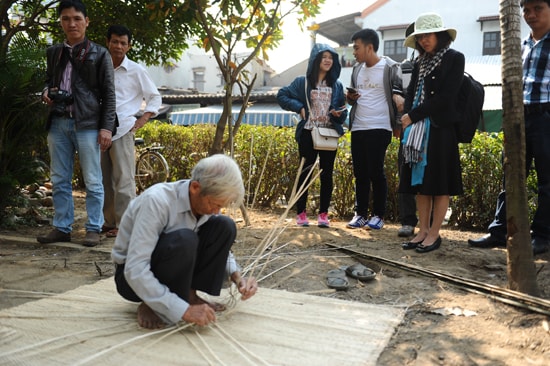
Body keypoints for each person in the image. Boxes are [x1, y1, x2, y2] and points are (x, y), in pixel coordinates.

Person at [111, 154, 258, 329]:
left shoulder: (202, 204)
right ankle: (152, 303)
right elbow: (135, 268)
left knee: (224, 226)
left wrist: (238, 277)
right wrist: (182, 311)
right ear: (195, 187)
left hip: (168, 265)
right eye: (215, 204)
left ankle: (189, 295)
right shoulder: (157, 202)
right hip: (130, 279)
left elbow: (218, 248)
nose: (217, 211)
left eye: (221, 206)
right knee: (185, 239)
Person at [468, 0, 550, 255]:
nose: (530, 15)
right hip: (518, 116)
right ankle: (499, 231)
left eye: (538, 9)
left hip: (547, 116)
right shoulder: (520, 44)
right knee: (512, 177)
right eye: (526, 10)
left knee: (547, 181)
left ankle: (543, 236)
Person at [37, 0, 117, 247]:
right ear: (60, 22)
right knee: (59, 178)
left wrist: (106, 127)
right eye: (65, 19)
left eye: (76, 18)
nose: (71, 23)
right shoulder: (54, 52)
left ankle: (93, 227)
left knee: (93, 179)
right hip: (59, 122)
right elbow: (49, 81)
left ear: (86, 21)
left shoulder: (99, 53)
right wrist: (46, 92)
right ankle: (62, 227)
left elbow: (109, 93)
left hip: (88, 124)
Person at [399, 12, 464, 253]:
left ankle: (434, 233)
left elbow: (447, 97)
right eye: (420, 37)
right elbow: (410, 93)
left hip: (440, 129)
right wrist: (407, 117)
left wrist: (413, 115)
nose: (424, 40)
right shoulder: (419, 62)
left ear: (440, 35)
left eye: (428, 35)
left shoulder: (455, 59)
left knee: (440, 183)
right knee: (420, 183)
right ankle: (422, 230)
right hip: (417, 131)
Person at [101, 25, 162, 238]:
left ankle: (125, 225)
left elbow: (154, 97)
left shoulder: (136, 70)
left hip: (123, 129)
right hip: (99, 130)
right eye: (115, 41)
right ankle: (109, 223)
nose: (118, 46)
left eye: (123, 43)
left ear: (129, 46)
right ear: (108, 41)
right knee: (102, 179)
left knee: (124, 179)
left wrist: (143, 119)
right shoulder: (98, 66)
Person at [277, 43, 347, 228]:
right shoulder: (303, 82)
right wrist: (299, 107)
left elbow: (342, 110)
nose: (327, 60)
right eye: (324, 57)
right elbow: (282, 95)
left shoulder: (337, 85)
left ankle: (323, 215)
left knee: (327, 175)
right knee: (305, 173)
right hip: (308, 132)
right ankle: (301, 213)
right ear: (316, 59)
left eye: (331, 58)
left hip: (329, 132)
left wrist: (339, 114)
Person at [345, 29, 404, 231]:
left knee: (375, 171)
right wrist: (350, 98)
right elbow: (353, 97)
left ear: (370, 47)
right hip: (359, 127)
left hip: (380, 126)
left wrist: (397, 125)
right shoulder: (357, 69)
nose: (354, 52)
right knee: (360, 172)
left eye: (357, 47)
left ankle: (378, 215)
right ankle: (360, 214)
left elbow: (399, 97)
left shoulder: (389, 67)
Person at [397, 23, 419, 238]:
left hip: (434, 128)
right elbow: (401, 94)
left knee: (430, 176)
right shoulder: (405, 66)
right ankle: (408, 220)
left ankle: (430, 223)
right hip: (408, 127)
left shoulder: (446, 62)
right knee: (405, 174)